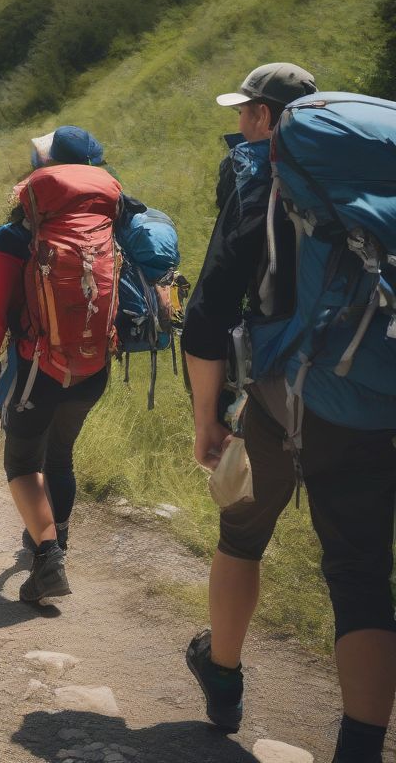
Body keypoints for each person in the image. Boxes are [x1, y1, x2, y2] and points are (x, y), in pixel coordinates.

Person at [181, 63, 396, 762]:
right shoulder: (369, 178)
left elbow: (208, 316)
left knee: (242, 534)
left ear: (270, 119)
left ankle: (223, 676)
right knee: (362, 574)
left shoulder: (260, 185)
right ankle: (360, 749)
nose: (241, 124)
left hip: (283, 396)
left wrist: (207, 420)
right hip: (377, 403)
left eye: (248, 112)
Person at [0, 128, 119, 603]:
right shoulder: (109, 222)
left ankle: (49, 559)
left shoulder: (13, 236)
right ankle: (54, 547)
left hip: (38, 370)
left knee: (22, 463)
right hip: (94, 368)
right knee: (60, 458)